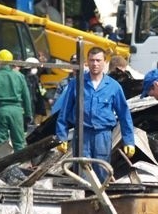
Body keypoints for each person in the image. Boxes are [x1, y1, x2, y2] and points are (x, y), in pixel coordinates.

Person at [56, 47, 135, 182]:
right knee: (82, 176)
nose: (95, 64)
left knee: (102, 173)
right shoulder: (77, 84)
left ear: (105, 62)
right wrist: (61, 136)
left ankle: (101, 201)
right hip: (82, 135)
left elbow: (124, 114)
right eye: (92, 60)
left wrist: (129, 141)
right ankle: (83, 201)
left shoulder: (113, 86)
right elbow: (64, 112)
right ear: (87, 62)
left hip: (102, 136)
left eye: (98, 60)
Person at [0, 49, 32, 151]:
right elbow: (26, 97)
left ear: (0, 61)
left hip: (1, 110)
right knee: (19, 142)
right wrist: (28, 114)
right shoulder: (19, 76)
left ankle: (3, 165)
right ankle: (21, 163)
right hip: (16, 111)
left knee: (1, 143)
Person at [22, 57, 48, 125]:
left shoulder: (35, 78)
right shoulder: (23, 77)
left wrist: (47, 97)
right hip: (24, 104)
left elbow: (41, 89)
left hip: (32, 103)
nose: (37, 69)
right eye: (35, 67)